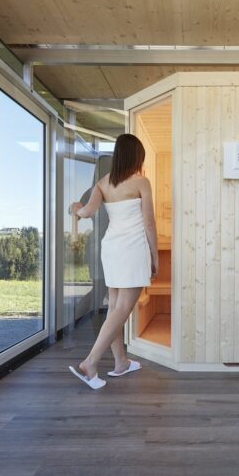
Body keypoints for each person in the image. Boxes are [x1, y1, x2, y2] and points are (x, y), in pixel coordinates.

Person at [68, 134, 158, 389]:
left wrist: (75, 208)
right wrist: (154, 257)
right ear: (136, 157)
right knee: (122, 310)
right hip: (132, 248)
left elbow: (86, 212)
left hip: (112, 248)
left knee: (114, 308)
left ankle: (121, 362)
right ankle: (91, 362)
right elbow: (149, 223)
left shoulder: (103, 183)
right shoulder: (141, 181)